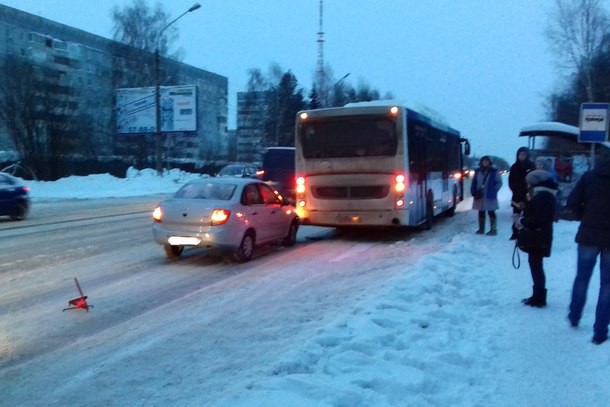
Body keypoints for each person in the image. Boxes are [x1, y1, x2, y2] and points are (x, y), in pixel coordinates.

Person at [566, 148, 610, 345]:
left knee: (582, 278)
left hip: (588, 236)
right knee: (607, 285)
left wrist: (583, 216)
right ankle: (600, 332)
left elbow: (572, 201)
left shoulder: (589, 177)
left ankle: (575, 316)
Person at [515, 170, 558, 307]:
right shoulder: (545, 194)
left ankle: (539, 298)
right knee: (536, 266)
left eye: (529, 182)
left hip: (539, 237)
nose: (527, 185)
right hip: (541, 236)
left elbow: (539, 217)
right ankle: (537, 295)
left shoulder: (542, 196)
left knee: (536, 267)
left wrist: (523, 221)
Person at [471, 155, 503, 235]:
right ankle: (481, 229)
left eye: (487, 161)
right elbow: (474, 182)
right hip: (480, 195)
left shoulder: (494, 171)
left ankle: (493, 230)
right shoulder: (477, 171)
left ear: (489, 162)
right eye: (483, 161)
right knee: (481, 212)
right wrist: (473, 191)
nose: (485, 162)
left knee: (491, 212)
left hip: (490, 195)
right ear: (481, 162)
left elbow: (499, 182)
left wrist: (494, 190)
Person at [508, 147, 535, 240]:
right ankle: (515, 232)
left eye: (524, 154)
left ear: (527, 155)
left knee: (527, 215)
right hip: (516, 195)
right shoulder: (514, 167)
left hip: (529, 195)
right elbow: (510, 181)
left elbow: (534, 180)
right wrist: (514, 190)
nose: (521, 156)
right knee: (516, 215)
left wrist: (529, 191)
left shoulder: (531, 166)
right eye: (520, 154)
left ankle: (526, 233)